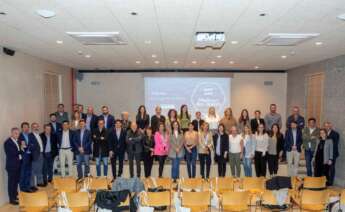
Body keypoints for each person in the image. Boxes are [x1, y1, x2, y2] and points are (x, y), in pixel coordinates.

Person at [4, 127, 22, 205]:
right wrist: (21, 149)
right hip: (12, 166)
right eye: (15, 133)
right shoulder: (8, 142)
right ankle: (11, 199)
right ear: (11, 133)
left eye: (18, 133)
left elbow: (19, 153)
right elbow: (12, 153)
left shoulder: (17, 141)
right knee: (11, 183)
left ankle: (15, 196)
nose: (17, 135)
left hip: (18, 165)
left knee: (15, 182)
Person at [19, 122, 34, 192]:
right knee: (23, 173)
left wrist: (30, 146)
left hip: (30, 156)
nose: (26, 128)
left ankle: (28, 187)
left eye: (27, 127)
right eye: (24, 127)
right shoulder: (19, 136)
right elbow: (23, 147)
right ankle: (22, 188)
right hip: (23, 157)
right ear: (22, 128)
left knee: (29, 172)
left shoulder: (30, 135)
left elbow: (32, 145)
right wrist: (29, 146)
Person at [29, 123, 44, 188]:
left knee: (39, 169)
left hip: (41, 154)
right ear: (31, 128)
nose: (36, 128)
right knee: (33, 170)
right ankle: (32, 185)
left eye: (37, 127)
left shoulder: (39, 135)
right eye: (34, 127)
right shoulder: (30, 136)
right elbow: (30, 146)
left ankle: (39, 182)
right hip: (34, 155)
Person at [324, 121, 340, 186]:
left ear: (331, 126)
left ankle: (330, 183)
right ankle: (325, 181)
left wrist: (331, 158)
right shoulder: (324, 133)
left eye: (328, 126)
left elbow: (335, 146)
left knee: (331, 169)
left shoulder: (335, 134)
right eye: (325, 126)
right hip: (325, 154)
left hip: (332, 154)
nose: (327, 127)